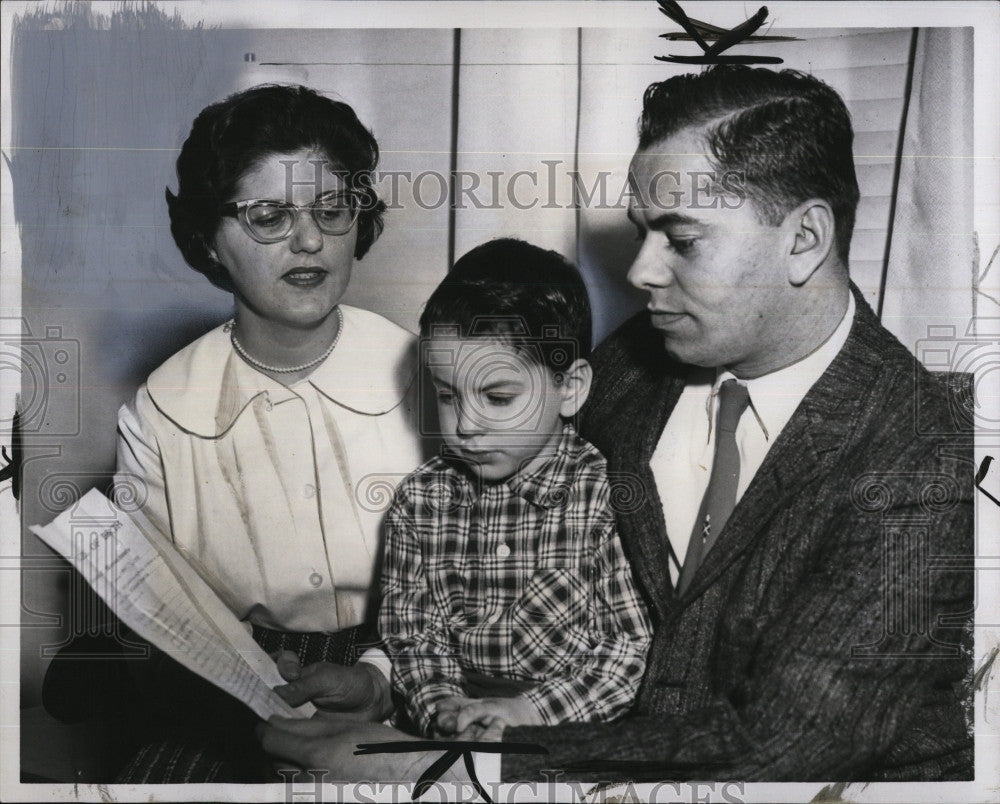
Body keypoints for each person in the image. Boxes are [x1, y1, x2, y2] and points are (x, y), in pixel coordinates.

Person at [258, 66, 973, 783]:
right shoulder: (636, 362)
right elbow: (498, 535)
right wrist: (384, 678)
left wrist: (444, 766)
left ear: (805, 238)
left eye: (682, 239)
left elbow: (787, 749)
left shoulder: (916, 451)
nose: (639, 271)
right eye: (641, 233)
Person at [108, 83, 425, 778]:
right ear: (210, 240)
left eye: (331, 210)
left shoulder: (429, 380)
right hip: (225, 700)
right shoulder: (160, 414)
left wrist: (382, 674)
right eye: (268, 216)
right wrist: (252, 702)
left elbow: (479, 580)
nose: (309, 240)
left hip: (414, 671)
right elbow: (155, 628)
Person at [379, 238, 652, 738]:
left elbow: (629, 652)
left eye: (498, 397)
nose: (465, 424)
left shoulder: (604, 497)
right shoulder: (418, 503)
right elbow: (413, 637)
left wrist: (526, 715)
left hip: (564, 732)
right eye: (446, 394)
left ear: (570, 387)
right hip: (448, 731)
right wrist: (441, 708)